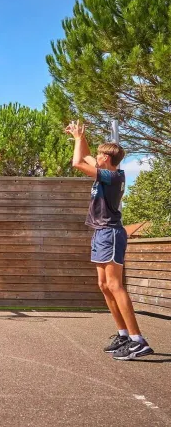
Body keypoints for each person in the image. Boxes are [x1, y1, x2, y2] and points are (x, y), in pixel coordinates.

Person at [66, 120, 153, 360]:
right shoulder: (107, 173)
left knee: (115, 285)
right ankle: (123, 334)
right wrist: (80, 136)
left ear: (106, 158)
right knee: (104, 285)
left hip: (111, 233)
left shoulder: (112, 177)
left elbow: (76, 162)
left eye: (99, 154)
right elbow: (84, 157)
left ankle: (138, 340)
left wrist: (76, 141)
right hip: (101, 232)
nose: (96, 156)